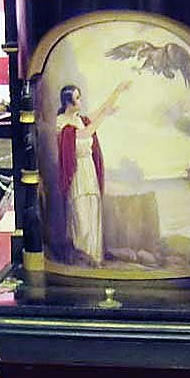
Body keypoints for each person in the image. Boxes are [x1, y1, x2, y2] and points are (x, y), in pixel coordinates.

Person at [56, 81, 130, 266]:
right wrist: (105, 115)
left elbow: (101, 109)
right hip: (76, 173)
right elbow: (86, 133)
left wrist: (117, 91)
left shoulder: (81, 119)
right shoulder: (61, 122)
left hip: (89, 170)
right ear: (68, 102)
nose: (80, 101)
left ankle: (95, 259)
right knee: (80, 216)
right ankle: (83, 260)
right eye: (77, 98)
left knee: (93, 212)